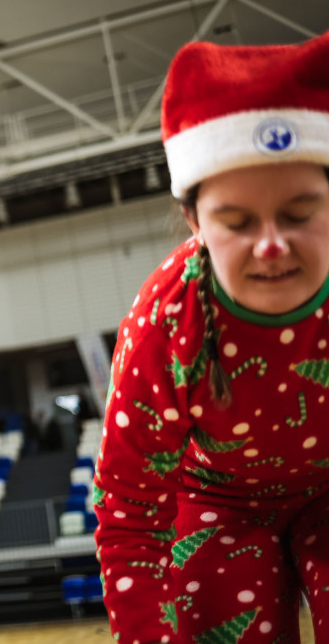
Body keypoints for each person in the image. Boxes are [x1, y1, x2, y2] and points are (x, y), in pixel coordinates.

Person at [94, 32, 329, 643]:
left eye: (301, 213)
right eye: (237, 222)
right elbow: (129, 516)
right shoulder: (163, 324)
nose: (272, 244)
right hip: (213, 502)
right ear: (196, 222)